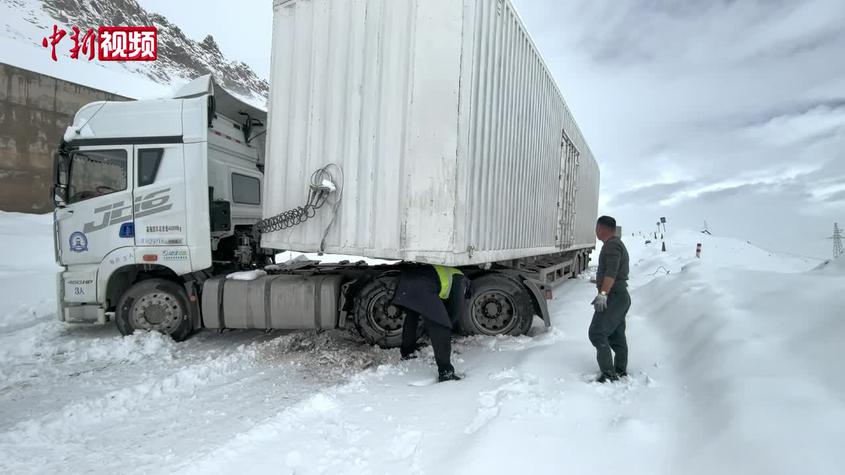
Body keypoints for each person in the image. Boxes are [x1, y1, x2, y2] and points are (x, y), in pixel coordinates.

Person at [392, 264, 470, 382]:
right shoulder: (461, 280)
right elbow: (454, 311)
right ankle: (446, 372)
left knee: (412, 316)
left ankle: (407, 351)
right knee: (441, 326)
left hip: (407, 280)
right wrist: (448, 327)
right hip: (423, 285)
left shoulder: (451, 271)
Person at [589, 216, 631, 383]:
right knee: (616, 335)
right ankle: (620, 371)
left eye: (596, 228)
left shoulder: (612, 245)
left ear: (601, 229)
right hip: (620, 297)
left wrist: (603, 294)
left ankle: (608, 375)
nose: (595, 231)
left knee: (597, 332)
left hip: (614, 297)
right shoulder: (614, 244)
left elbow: (611, 272)